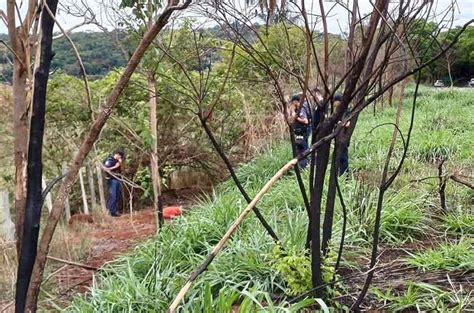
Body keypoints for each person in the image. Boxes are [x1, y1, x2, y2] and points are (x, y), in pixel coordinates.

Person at [289, 94, 311, 169]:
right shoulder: (296, 109)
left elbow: (305, 121)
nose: (292, 104)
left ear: (296, 101)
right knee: (300, 149)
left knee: (303, 149)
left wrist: (296, 117)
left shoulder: (301, 109)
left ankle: (304, 166)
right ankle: (302, 165)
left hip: (303, 132)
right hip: (298, 132)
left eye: (293, 102)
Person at [333, 94, 350, 176]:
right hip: (337, 137)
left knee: (344, 158)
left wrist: (340, 123)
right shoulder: (337, 111)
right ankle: (340, 174)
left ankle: (345, 175)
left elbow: (348, 124)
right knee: (338, 157)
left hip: (344, 137)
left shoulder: (346, 111)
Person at [104, 148, 124, 217]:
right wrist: (115, 166)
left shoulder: (118, 161)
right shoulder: (110, 160)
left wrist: (120, 164)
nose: (120, 158)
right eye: (120, 156)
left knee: (117, 196)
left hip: (118, 179)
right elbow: (106, 169)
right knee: (113, 196)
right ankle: (110, 211)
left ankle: (115, 212)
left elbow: (120, 170)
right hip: (112, 180)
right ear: (117, 154)